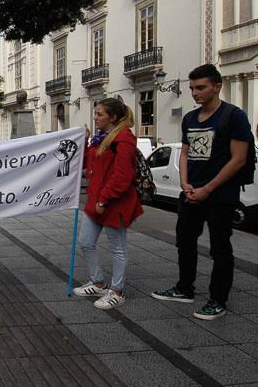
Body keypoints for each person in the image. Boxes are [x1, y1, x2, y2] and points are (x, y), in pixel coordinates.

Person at [152, 64, 252, 320]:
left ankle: (218, 299)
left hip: (220, 195)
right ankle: (185, 288)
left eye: (201, 87)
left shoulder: (233, 116)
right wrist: (185, 184)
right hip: (191, 193)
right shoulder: (190, 118)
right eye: (192, 88)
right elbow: (185, 153)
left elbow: (239, 159)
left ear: (217, 87)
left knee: (220, 247)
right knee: (184, 242)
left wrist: (208, 188)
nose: (195, 93)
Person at [73, 98, 142, 310]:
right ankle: (99, 282)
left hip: (113, 203)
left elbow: (122, 176)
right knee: (85, 242)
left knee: (117, 248)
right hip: (96, 202)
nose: (95, 117)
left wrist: (105, 199)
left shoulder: (123, 140)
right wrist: (84, 141)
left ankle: (117, 291)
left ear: (113, 117)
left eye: (99, 114)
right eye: (95, 113)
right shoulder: (100, 138)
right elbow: (86, 163)